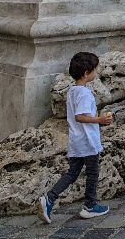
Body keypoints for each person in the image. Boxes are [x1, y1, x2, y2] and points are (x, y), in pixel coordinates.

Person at [38, 52, 113, 222]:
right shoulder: (85, 93)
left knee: (72, 173)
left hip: (76, 141)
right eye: (95, 69)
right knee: (93, 173)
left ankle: (49, 198)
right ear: (87, 73)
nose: (97, 71)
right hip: (88, 142)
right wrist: (100, 120)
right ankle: (90, 206)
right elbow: (80, 117)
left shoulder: (73, 91)